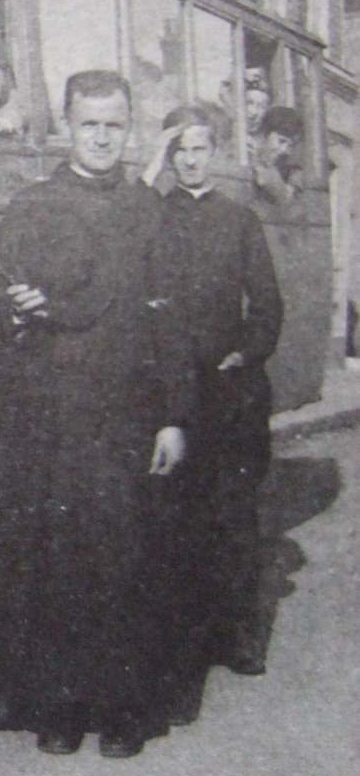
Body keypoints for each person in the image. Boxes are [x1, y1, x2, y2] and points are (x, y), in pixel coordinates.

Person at [0, 70, 191, 759]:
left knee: (123, 560)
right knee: (55, 560)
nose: (101, 137)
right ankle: (60, 704)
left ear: (131, 131)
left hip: (125, 414)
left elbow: (173, 323)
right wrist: (12, 305)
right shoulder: (35, 204)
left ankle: (124, 709)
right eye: (89, 124)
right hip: (50, 412)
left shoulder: (149, 210)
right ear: (67, 126)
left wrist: (173, 417)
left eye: (115, 125)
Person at [142, 104, 283, 703]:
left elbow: (268, 304)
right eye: (181, 149)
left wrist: (246, 355)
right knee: (176, 519)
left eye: (201, 147)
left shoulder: (239, 220)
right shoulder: (153, 216)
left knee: (234, 515)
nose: (191, 159)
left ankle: (242, 635)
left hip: (228, 393)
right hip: (172, 392)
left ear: (217, 153)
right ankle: (186, 639)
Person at [252, 105, 304, 205]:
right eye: (281, 141)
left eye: (291, 146)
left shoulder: (293, 175)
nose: (286, 151)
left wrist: (279, 187)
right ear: (264, 136)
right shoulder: (247, 161)